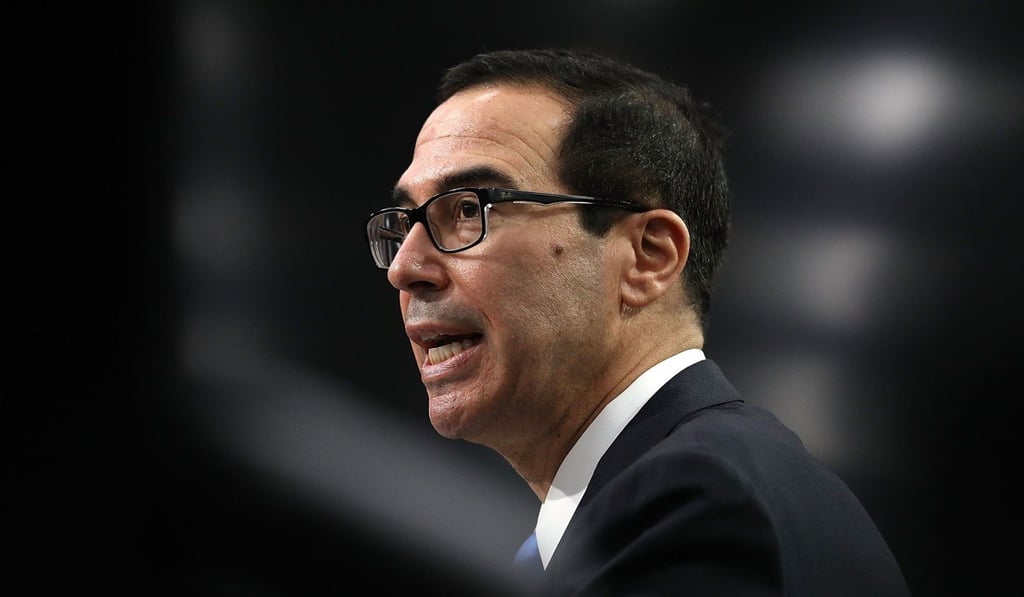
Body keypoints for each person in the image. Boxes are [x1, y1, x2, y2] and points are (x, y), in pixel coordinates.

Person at [364, 47, 910, 596]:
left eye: (467, 210)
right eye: (404, 223)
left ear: (648, 257)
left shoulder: (694, 505)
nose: (405, 268)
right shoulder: (687, 488)